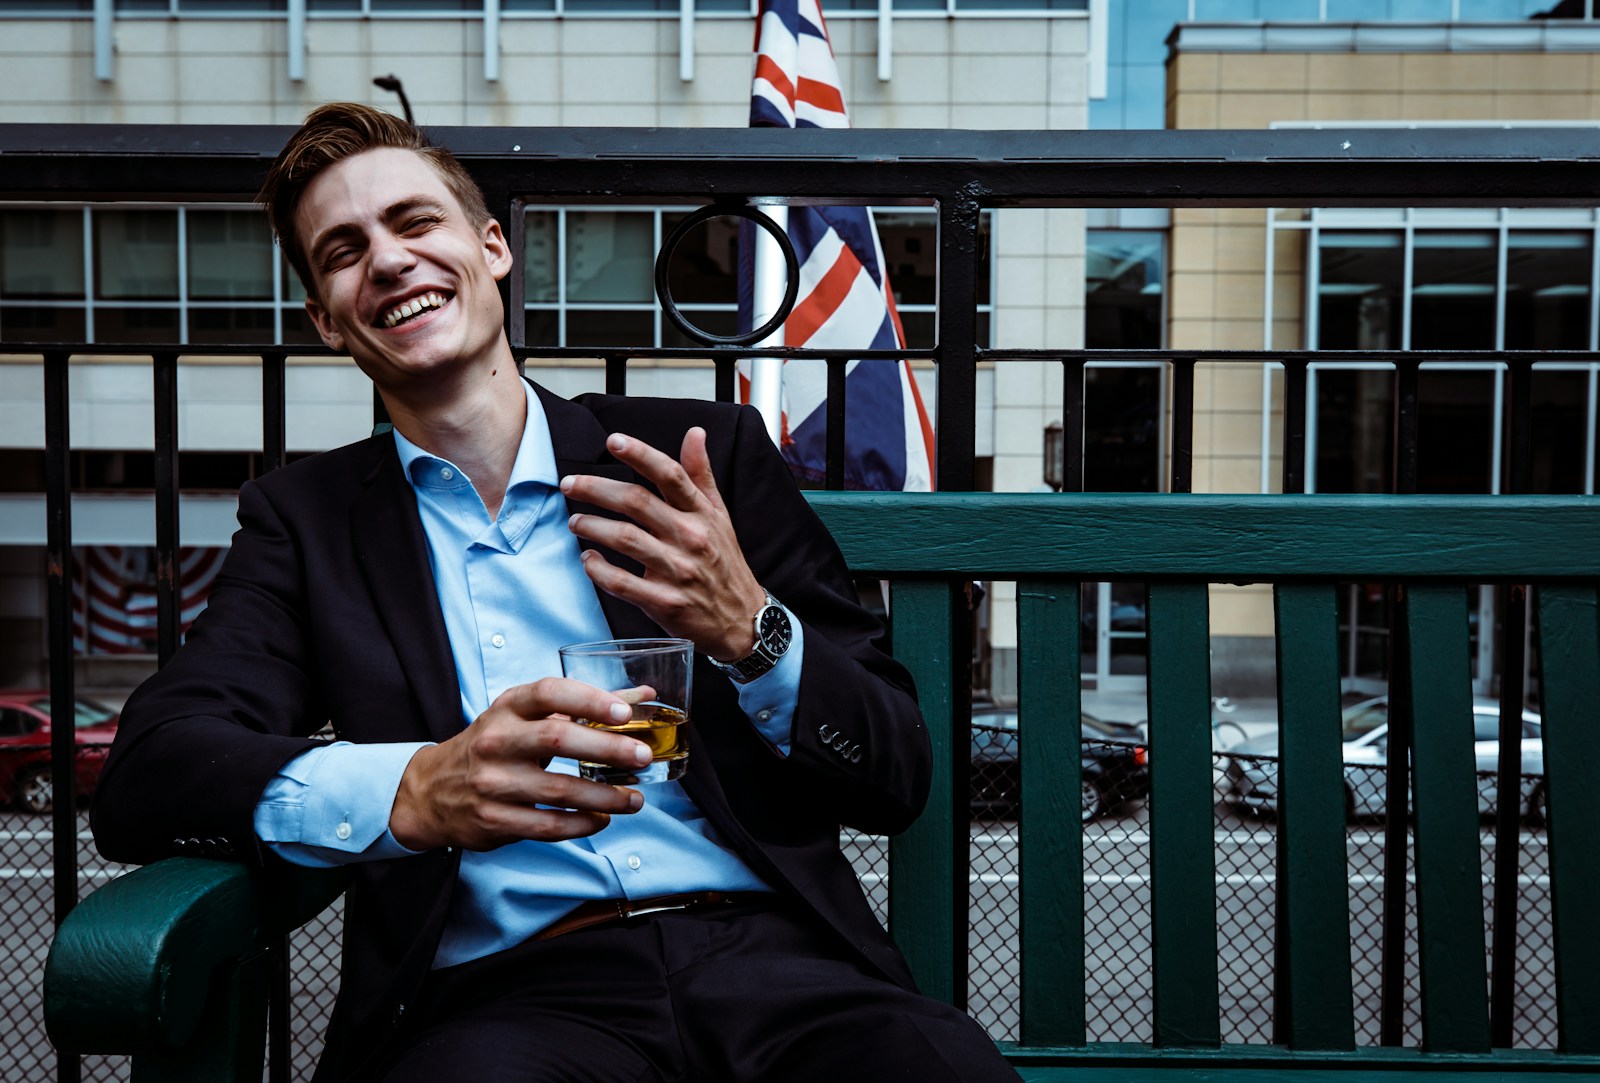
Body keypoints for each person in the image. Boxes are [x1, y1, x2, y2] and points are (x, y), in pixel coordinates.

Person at [92, 103, 1020, 1083]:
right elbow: (154, 770)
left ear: (489, 247)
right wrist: (416, 791)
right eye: (345, 250)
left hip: (774, 964)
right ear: (326, 318)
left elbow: (897, 771)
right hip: (511, 995)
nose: (392, 261)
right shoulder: (308, 522)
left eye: (416, 223)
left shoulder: (701, 458)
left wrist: (752, 632)